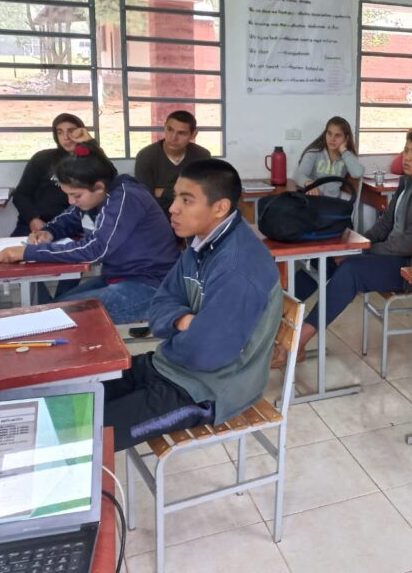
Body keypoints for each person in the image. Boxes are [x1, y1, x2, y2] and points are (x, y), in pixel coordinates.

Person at [102, 158, 283, 451]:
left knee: (93, 435)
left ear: (220, 207)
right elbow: (160, 304)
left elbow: (207, 353)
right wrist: (183, 321)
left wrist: (182, 331)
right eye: (176, 197)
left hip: (208, 389)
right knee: (81, 398)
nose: (173, 208)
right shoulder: (201, 244)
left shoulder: (238, 267)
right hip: (168, 365)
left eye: (187, 200)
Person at [282, 128, 412, 364]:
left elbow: (410, 242)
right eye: (406, 150)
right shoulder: (408, 182)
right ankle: (279, 318)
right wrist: (356, 245)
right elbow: (385, 224)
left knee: (351, 270)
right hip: (395, 256)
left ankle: (299, 341)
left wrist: (365, 251)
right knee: (327, 257)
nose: (407, 157)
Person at [0, 140, 179, 325]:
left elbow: (96, 249)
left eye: (76, 195)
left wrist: (29, 252)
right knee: (57, 307)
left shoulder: (125, 197)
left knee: (60, 315)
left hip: (151, 285)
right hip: (119, 277)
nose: (71, 201)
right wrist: (48, 232)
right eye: (67, 194)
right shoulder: (99, 196)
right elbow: (69, 218)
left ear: (99, 187)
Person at [10, 113, 93, 236]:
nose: (66, 137)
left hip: (73, 226)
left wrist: (90, 144)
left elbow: (108, 181)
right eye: (60, 132)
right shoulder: (43, 159)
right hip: (36, 225)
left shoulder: (92, 160)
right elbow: (21, 195)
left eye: (71, 131)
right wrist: (33, 219)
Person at [133, 110, 211, 215]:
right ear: (164, 127)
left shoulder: (202, 156)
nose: (173, 138)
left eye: (181, 133)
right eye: (169, 130)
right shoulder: (146, 156)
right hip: (156, 215)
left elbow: (203, 194)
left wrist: (163, 192)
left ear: (193, 134)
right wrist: (185, 195)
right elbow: (144, 198)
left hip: (192, 214)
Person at [294, 116, 365, 198]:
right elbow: (299, 175)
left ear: (346, 138)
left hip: (333, 202)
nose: (332, 139)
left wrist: (344, 151)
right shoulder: (314, 153)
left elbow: (358, 173)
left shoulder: (347, 156)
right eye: (329, 133)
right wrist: (310, 184)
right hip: (312, 199)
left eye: (337, 135)